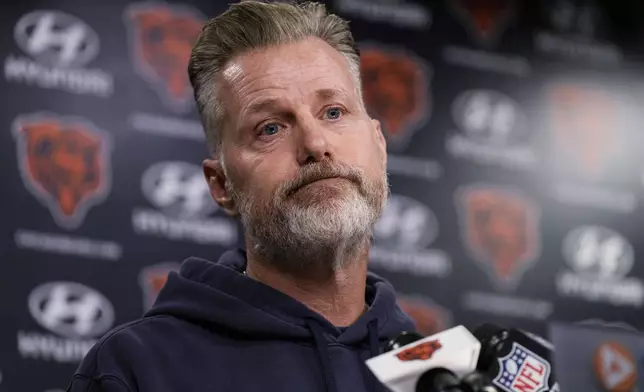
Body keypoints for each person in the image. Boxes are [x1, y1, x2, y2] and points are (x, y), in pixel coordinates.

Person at [67, 1, 415, 391]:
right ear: (221, 185)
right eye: (269, 129)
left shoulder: (444, 371)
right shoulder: (135, 368)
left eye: (333, 112)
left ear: (379, 145)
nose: (316, 144)